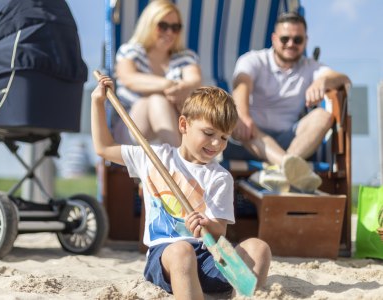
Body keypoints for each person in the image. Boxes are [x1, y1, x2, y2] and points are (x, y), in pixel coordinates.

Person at [92, 75, 271, 299]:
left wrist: (207, 224)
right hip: (166, 257)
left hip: (209, 258)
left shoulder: (220, 177)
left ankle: (243, 295)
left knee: (258, 247)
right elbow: (104, 147)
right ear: (184, 125)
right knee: (182, 251)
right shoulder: (153, 156)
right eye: (208, 133)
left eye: (224, 137)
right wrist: (98, 102)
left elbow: (219, 230)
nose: (216, 143)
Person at [224, 12, 351, 193]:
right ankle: (289, 167)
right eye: (285, 39)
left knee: (323, 116)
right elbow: (241, 86)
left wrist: (323, 81)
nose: (291, 44)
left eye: (297, 40)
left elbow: (344, 79)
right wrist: (242, 115)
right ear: (274, 39)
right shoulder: (254, 60)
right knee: (241, 121)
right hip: (249, 138)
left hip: (289, 141)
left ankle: (279, 171)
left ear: (305, 41)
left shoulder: (310, 67)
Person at [113, 0, 202, 147]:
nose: (169, 33)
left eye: (175, 27)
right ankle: (179, 163)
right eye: (163, 26)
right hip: (132, 128)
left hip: (173, 126)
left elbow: (194, 82)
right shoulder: (131, 51)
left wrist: (183, 88)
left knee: (160, 101)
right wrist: (168, 85)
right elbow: (129, 78)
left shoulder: (186, 57)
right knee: (157, 100)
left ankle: (175, 162)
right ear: (149, 24)